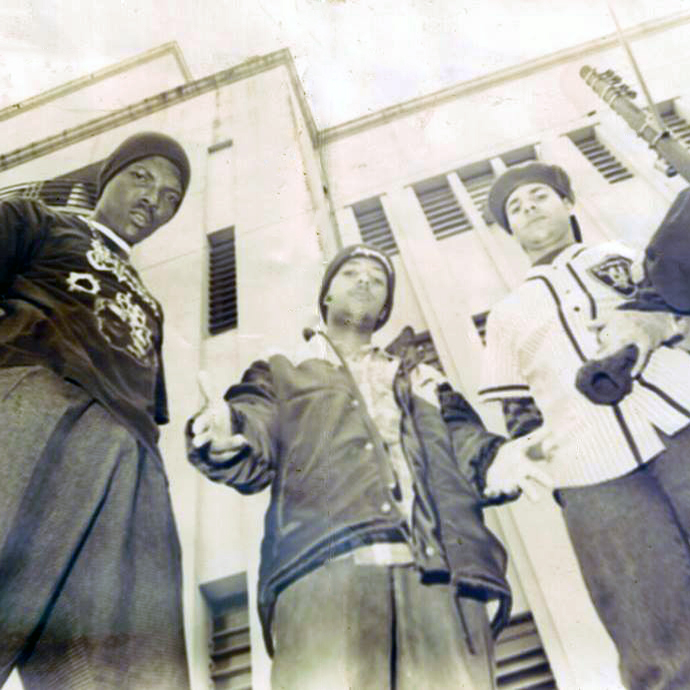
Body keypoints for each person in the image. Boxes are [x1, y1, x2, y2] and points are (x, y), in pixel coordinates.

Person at [187, 244, 552, 690]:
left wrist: (498, 459)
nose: (364, 280)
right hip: (322, 569)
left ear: (384, 310)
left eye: (377, 280)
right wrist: (227, 433)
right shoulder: (282, 369)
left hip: (443, 574)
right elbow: (253, 422)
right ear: (326, 296)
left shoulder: (421, 376)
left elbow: (464, 437)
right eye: (351, 273)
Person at [479, 162, 690, 690]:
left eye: (539, 195)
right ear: (510, 232)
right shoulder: (505, 314)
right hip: (592, 470)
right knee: (652, 632)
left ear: (568, 204)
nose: (528, 208)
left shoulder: (627, 255)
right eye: (515, 208)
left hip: (680, 418)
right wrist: (538, 458)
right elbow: (518, 408)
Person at [0, 132, 192, 690]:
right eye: (142, 177)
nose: (153, 199)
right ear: (107, 179)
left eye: (170, 198)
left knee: (128, 658)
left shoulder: (150, 304)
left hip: (131, 458)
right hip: (36, 398)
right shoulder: (41, 221)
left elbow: (150, 403)